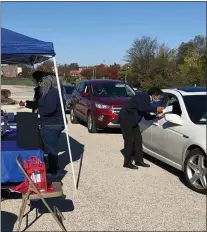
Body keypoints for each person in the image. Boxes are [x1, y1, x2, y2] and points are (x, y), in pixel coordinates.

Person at [119, 87, 164, 170]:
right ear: (154, 94)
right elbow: (142, 108)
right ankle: (127, 162)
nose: (159, 98)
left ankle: (139, 161)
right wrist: (156, 109)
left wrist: (156, 116)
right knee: (130, 140)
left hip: (134, 121)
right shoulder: (142, 95)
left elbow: (146, 115)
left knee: (138, 140)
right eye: (159, 96)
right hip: (126, 119)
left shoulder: (147, 101)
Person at [37, 73, 65, 177]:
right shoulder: (56, 91)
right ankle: (54, 167)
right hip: (54, 122)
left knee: (51, 148)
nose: (42, 84)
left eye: (43, 82)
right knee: (51, 147)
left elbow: (50, 108)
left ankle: (53, 171)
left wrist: (39, 111)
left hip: (51, 123)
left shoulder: (53, 92)